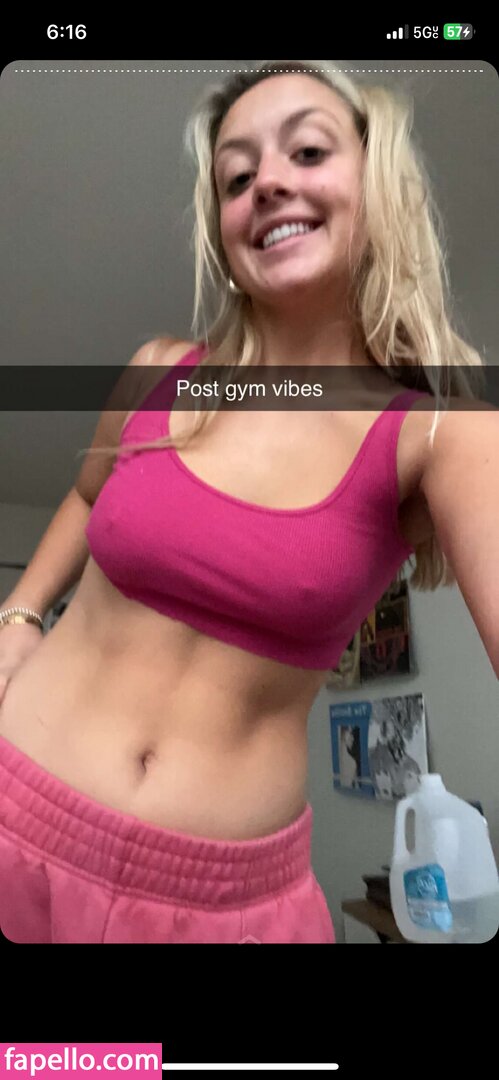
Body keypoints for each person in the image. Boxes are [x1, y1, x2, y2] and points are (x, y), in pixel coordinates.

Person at [0, 59, 489, 944]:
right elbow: (84, 494)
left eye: (306, 151)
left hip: (221, 911)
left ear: (377, 182)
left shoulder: (437, 434)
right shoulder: (159, 371)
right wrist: (19, 617)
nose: (265, 182)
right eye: (236, 176)